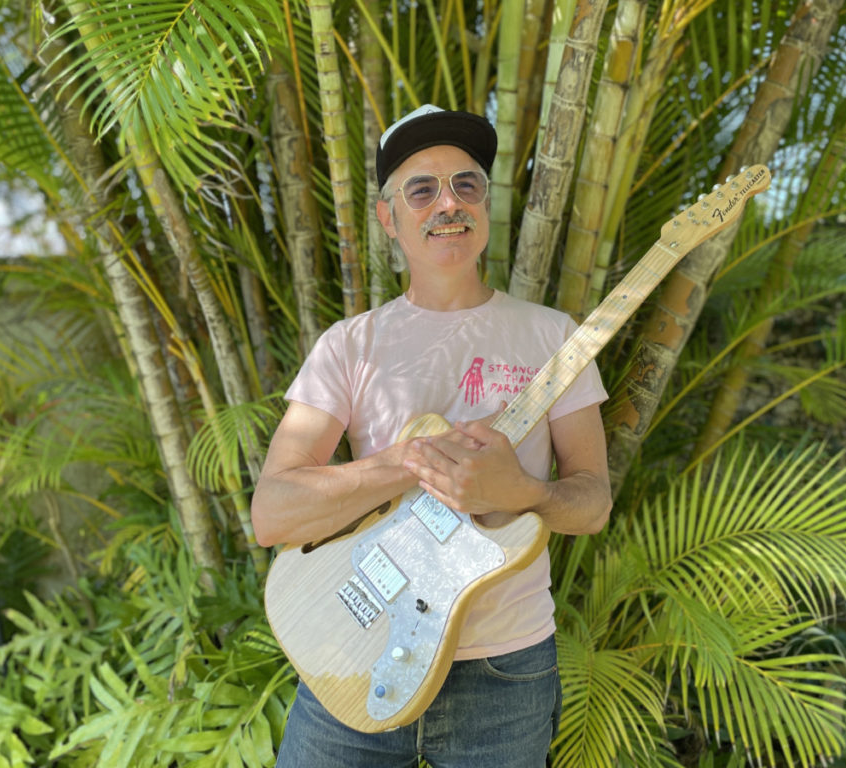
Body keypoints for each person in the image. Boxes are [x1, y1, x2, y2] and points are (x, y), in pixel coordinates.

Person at [251, 104, 613, 768]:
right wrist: (409, 463)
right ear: (389, 217)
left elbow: (592, 504)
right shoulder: (350, 347)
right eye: (422, 190)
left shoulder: (554, 337)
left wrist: (524, 492)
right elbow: (272, 514)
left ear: (486, 206)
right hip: (351, 657)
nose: (449, 203)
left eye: (466, 184)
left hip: (504, 677)